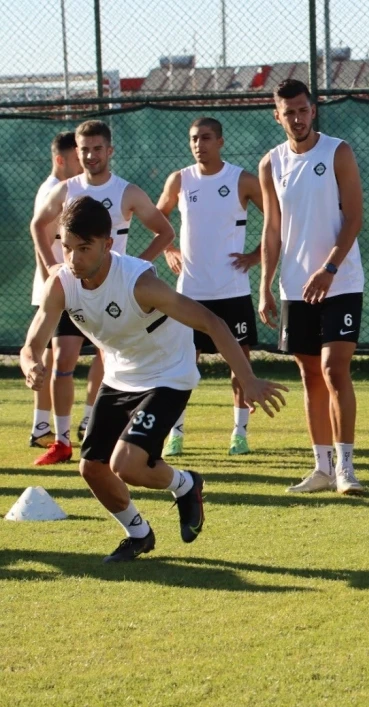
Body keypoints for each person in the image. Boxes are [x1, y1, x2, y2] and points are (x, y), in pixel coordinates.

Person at [21, 196, 288, 563]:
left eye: (84, 249)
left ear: (107, 244)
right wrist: (31, 363)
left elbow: (212, 323)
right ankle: (139, 534)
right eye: (67, 247)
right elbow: (32, 344)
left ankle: (186, 484)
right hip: (120, 375)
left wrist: (249, 379)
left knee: (126, 465)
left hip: (168, 373)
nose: (73, 259)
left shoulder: (139, 283)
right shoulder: (61, 284)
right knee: (92, 468)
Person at [30, 119, 174, 466]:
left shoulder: (128, 192)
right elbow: (38, 224)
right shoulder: (66, 189)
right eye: (85, 150)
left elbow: (165, 231)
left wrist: (135, 266)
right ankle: (61, 440)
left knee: (113, 364)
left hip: (114, 296)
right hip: (75, 290)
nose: (91, 155)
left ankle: (100, 428)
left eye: (97, 149)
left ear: (110, 151)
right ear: (77, 153)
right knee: (63, 360)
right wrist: (52, 266)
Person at [258, 79, 365, 495]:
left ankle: (346, 469)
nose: (298, 119)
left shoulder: (338, 151)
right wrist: (265, 285)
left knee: (334, 369)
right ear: (277, 116)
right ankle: (321, 469)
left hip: (341, 281)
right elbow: (272, 229)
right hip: (294, 287)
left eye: (303, 110)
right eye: (289, 113)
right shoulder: (271, 163)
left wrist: (330, 268)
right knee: (310, 375)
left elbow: (354, 218)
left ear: (313, 110)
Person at [158, 117, 263, 457]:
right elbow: (157, 217)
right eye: (193, 138)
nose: (198, 144)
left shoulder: (242, 179)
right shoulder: (180, 179)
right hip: (190, 293)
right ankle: (175, 434)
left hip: (232, 291)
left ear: (220, 141)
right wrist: (169, 249)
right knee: (182, 367)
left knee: (239, 367)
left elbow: (279, 220)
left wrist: (256, 255)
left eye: (205, 138)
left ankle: (239, 434)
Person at [28, 132, 83, 450]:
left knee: (49, 361)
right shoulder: (55, 190)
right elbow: (43, 238)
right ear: (60, 160)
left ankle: (41, 427)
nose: (83, 163)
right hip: (55, 290)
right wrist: (50, 277)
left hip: (54, 288)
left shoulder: (61, 188)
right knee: (54, 361)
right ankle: (48, 428)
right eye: (76, 158)